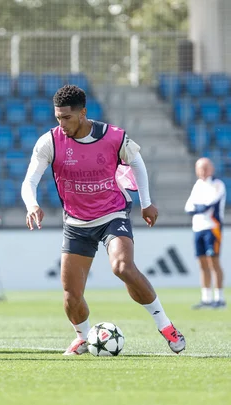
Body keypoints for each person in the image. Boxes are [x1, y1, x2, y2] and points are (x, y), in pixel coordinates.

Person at [21, 84, 186, 356]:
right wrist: (32, 205)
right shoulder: (49, 141)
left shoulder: (113, 137)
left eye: (67, 118)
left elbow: (138, 163)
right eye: (58, 117)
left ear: (83, 113)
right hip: (76, 223)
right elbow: (29, 180)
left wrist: (146, 202)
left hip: (112, 213)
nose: (62, 124)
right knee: (71, 295)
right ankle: (84, 337)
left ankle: (165, 325)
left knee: (122, 267)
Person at [185, 157, 226, 309]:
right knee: (202, 263)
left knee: (213, 261)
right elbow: (188, 207)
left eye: (205, 167)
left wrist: (198, 207)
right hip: (198, 228)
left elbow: (209, 205)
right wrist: (198, 207)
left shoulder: (217, 184)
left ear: (212, 169)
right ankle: (206, 298)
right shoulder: (197, 185)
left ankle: (219, 298)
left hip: (212, 227)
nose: (202, 171)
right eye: (199, 168)